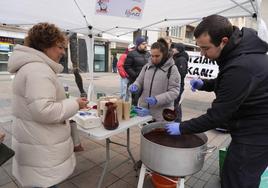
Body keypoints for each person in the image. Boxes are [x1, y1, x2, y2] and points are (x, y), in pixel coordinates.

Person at [165, 14, 268, 188]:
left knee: (237, 180)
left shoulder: (241, 65)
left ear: (224, 41)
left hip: (256, 136)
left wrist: (181, 127)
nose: (203, 54)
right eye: (200, 48)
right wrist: (205, 84)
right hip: (252, 129)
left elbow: (216, 117)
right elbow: (232, 84)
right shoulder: (239, 54)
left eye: (206, 48)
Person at [7, 23, 88, 188]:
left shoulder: (33, 67)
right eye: (59, 47)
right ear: (44, 45)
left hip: (36, 147)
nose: (63, 52)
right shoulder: (38, 71)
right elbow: (44, 111)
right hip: (41, 154)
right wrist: (75, 104)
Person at [129, 38, 180, 121]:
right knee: (144, 133)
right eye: (152, 56)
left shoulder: (172, 69)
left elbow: (174, 92)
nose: (154, 59)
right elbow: (139, 81)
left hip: (162, 114)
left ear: (164, 54)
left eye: (157, 56)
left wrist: (157, 99)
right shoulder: (146, 67)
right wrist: (135, 86)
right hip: (144, 111)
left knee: (159, 133)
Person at [124, 36, 150, 105]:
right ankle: (134, 113)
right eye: (143, 44)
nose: (145, 45)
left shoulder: (148, 54)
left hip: (146, 81)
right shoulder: (131, 54)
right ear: (138, 45)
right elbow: (126, 66)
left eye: (146, 44)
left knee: (145, 100)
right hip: (135, 81)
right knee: (135, 100)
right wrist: (135, 75)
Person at [171, 43, 189, 122]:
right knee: (176, 103)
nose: (172, 50)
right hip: (175, 85)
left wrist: (172, 77)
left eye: (174, 48)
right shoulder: (177, 57)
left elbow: (182, 73)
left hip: (178, 85)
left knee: (176, 103)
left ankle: (177, 121)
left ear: (178, 49)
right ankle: (176, 119)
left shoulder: (181, 59)